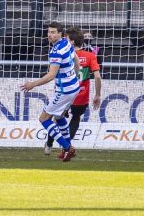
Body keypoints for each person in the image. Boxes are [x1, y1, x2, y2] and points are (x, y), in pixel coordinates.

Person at [21, 22, 81, 163]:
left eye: (53, 32)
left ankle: (67, 147)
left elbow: (51, 75)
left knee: (44, 119)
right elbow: (76, 61)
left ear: (60, 34)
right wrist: (75, 77)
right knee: (59, 117)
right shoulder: (66, 43)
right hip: (74, 87)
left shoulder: (55, 52)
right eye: (49, 32)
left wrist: (32, 84)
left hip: (65, 90)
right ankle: (67, 148)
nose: (50, 34)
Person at [45, 28, 101, 156]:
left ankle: (49, 144)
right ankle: (66, 147)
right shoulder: (90, 56)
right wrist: (97, 94)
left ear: (71, 41)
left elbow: (52, 71)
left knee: (56, 118)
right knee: (75, 118)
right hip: (81, 94)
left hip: (66, 92)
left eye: (66, 38)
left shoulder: (65, 53)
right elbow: (97, 76)